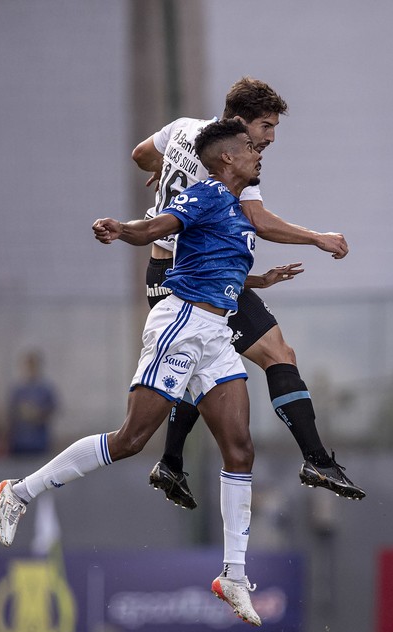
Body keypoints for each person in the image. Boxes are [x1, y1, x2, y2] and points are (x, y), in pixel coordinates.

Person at [0, 118, 266, 625]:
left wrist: (262, 279)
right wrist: (123, 229)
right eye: (251, 147)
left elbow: (219, 262)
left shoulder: (235, 207)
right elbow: (159, 227)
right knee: (130, 440)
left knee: (241, 448)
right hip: (182, 322)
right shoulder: (207, 194)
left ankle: (233, 575)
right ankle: (19, 491)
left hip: (215, 333)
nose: (259, 155)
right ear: (227, 157)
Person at [131, 77, 365, 507]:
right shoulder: (235, 160)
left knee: (197, 367)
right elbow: (258, 220)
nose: (270, 138)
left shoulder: (183, 127)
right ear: (239, 123)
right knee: (278, 354)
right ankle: (315, 459)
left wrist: (165, 174)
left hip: (163, 271)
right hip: (195, 277)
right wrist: (318, 238)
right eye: (265, 126)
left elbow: (142, 154)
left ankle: (170, 460)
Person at [6, 350, 58, 455]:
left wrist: (38, 414)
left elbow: (52, 409)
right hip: (20, 441)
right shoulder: (18, 390)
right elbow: (11, 412)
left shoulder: (45, 389)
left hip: (39, 441)